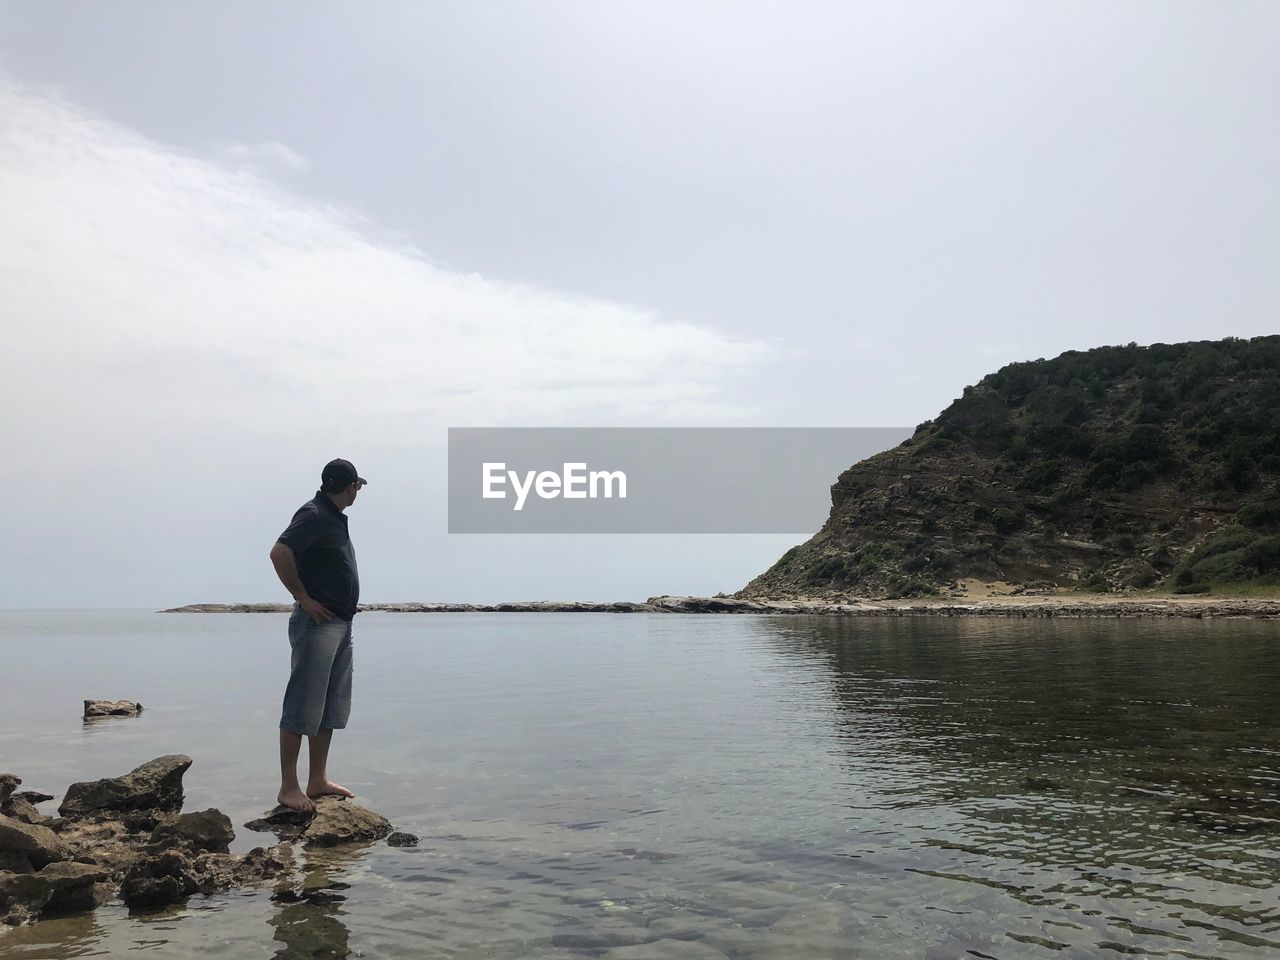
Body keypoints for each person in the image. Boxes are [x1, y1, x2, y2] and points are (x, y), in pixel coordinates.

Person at [269, 458, 367, 812]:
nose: (359, 492)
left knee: (328, 705)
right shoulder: (313, 514)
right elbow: (279, 553)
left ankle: (317, 780)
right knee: (302, 704)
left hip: (341, 624)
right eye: (358, 485)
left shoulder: (331, 516)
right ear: (350, 485)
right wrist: (304, 599)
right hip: (318, 624)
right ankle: (288, 787)